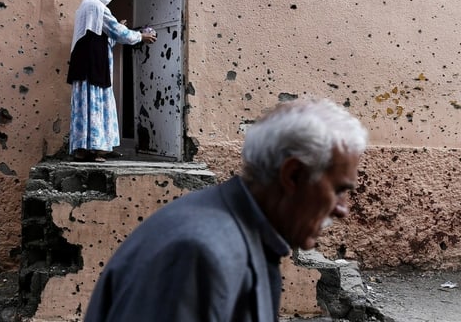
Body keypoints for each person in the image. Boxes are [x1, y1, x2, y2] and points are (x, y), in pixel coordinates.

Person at [84, 98, 369, 321]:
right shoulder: (199, 253)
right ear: (293, 175)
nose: (342, 209)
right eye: (339, 190)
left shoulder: (239, 236)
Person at [67, 0, 157, 162]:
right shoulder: (97, 6)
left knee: (85, 103)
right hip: (92, 64)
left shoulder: (87, 5)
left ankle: (84, 150)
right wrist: (141, 36)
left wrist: (115, 28)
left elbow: (98, 36)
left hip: (84, 61)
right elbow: (117, 32)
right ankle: (98, 149)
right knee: (95, 102)